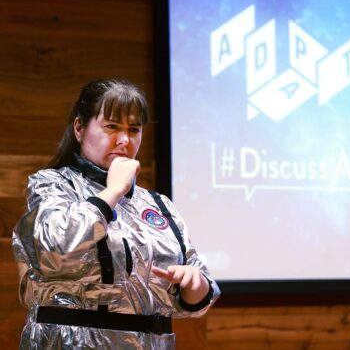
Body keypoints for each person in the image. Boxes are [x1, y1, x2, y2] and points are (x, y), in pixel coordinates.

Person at [12, 79, 220, 349]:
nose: (124, 140)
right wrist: (114, 191)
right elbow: (54, 252)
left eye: (134, 130)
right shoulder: (51, 185)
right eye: (112, 126)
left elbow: (196, 295)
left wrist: (194, 284)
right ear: (79, 128)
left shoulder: (159, 204)